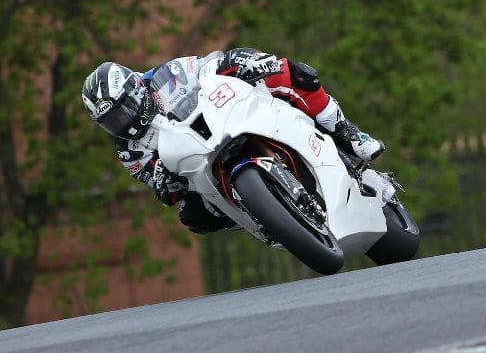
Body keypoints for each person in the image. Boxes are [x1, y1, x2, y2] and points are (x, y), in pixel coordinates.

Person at [81, 48, 385, 234]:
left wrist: (247, 62)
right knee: (193, 217)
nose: (123, 123)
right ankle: (260, 213)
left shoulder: (167, 74)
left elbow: (210, 65)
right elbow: (160, 190)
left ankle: (348, 133)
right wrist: (163, 182)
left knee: (293, 73)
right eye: (112, 122)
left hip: (223, 118)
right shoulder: (127, 149)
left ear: (135, 90)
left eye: (123, 111)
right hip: (198, 164)